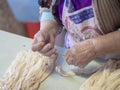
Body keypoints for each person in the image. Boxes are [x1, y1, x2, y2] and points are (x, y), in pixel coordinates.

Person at [32, 0, 120, 68]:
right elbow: (47, 8)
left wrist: (94, 47)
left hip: (115, 63)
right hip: (73, 59)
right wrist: (48, 28)